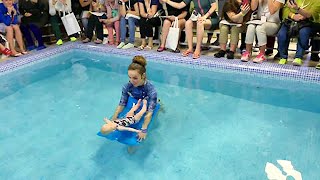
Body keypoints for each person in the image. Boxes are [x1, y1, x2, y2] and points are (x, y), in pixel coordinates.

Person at [112, 55, 158, 142]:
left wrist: (144, 129)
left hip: (146, 102)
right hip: (135, 103)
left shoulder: (151, 89)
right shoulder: (127, 86)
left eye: (135, 78)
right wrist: (114, 118)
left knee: (155, 109)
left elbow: (149, 112)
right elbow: (122, 103)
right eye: (129, 77)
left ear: (143, 75)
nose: (131, 81)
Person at [277, 0, 313, 66]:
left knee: (303, 33)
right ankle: (283, 57)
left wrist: (302, 14)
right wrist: (293, 16)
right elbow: (285, 10)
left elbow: (313, 13)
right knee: (281, 34)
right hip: (290, 20)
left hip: (306, 22)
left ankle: (298, 57)